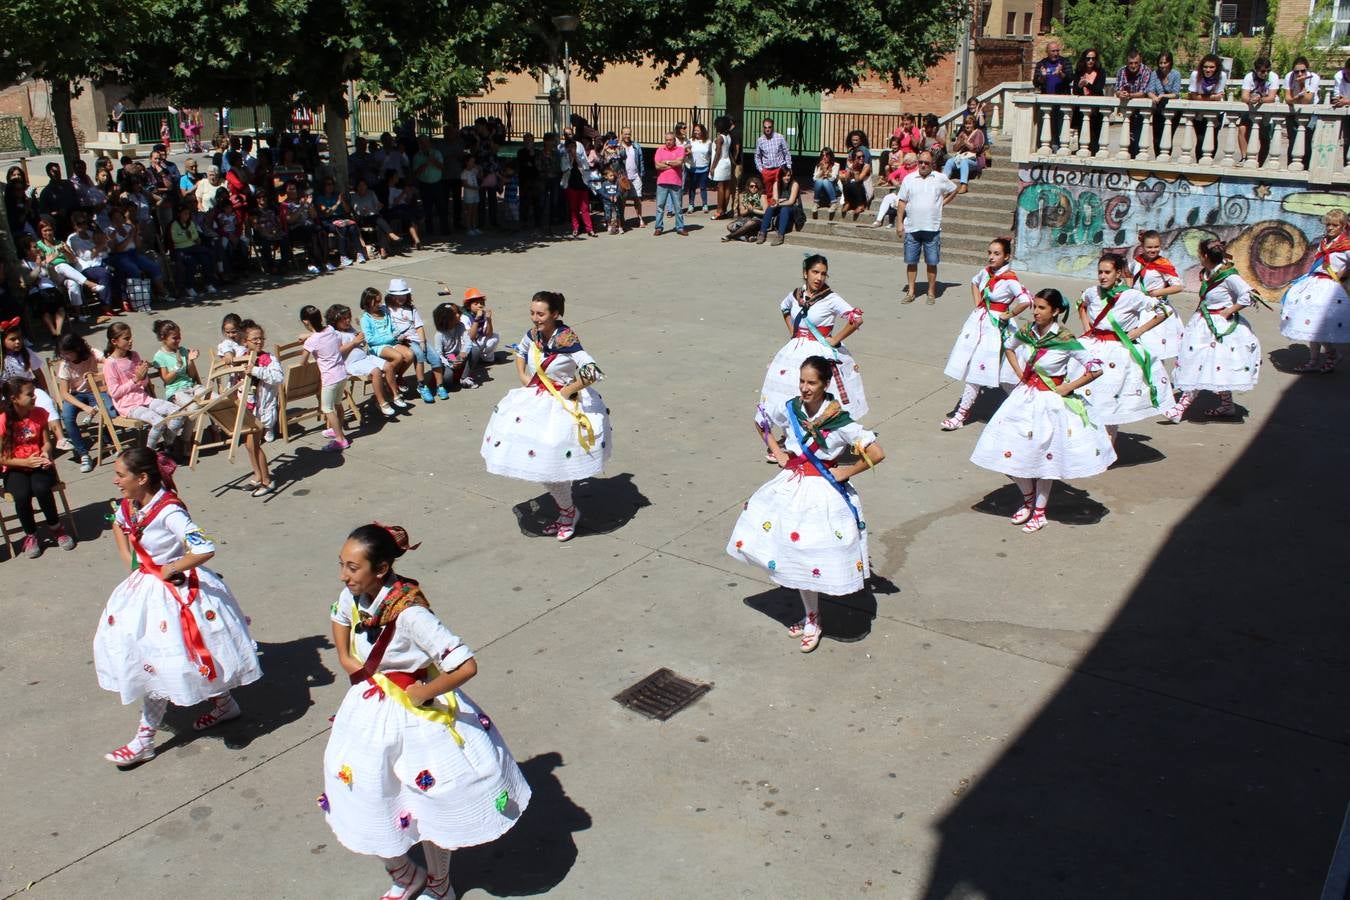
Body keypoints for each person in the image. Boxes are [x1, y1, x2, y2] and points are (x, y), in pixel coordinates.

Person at [321, 523, 531, 900]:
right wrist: (345, 656)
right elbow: (339, 616)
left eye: (352, 567)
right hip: (370, 709)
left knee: (432, 805)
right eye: (342, 565)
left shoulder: (411, 614)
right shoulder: (353, 594)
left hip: (416, 716)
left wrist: (424, 692)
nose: (343, 575)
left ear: (381, 568)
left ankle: (439, 883)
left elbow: (465, 665)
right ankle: (405, 874)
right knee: (368, 795)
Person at [94, 447, 261, 766]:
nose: (115, 480)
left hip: (174, 594)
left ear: (142, 478)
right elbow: (118, 524)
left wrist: (172, 567)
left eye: (120, 474)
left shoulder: (169, 511)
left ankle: (145, 739)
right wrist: (129, 561)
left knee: (159, 662)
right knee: (176, 658)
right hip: (146, 589)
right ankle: (225, 704)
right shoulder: (132, 504)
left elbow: (204, 547)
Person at [727, 356, 885, 652]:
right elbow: (761, 417)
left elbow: (876, 452)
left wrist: (845, 471)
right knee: (790, 551)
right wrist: (776, 450)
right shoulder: (792, 408)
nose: (804, 388)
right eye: (802, 381)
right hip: (791, 486)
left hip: (822, 494)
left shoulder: (841, 422)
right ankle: (811, 614)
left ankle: (812, 618)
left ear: (826, 385)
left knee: (810, 553)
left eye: (812, 382)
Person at [970, 288, 1115, 533]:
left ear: (1056, 311)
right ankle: (1028, 499)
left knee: (1046, 458)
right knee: (1010, 450)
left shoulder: (1065, 339)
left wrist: (1068, 386)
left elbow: (1096, 367)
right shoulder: (1027, 332)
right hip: (1024, 399)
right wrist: (1018, 373)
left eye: (1042, 308)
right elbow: (1009, 346)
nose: (1035, 312)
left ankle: (1039, 512)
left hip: (1051, 404)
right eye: (1034, 306)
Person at [480, 291, 611, 541]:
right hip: (536, 403)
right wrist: (523, 377)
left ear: (555, 314)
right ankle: (567, 510)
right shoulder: (534, 335)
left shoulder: (567, 339)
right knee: (545, 464)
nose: (535, 318)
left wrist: (569, 390)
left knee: (551, 465)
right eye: (532, 312)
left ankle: (568, 512)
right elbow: (520, 352)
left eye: (540, 314)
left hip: (560, 408)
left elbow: (592, 371)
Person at [760, 255, 868, 440]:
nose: (819, 278)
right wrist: (793, 332)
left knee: (816, 394)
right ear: (805, 273)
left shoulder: (831, 298)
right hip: (794, 351)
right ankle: (789, 437)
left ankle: (818, 437)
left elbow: (856, 319)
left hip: (818, 351)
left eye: (823, 274)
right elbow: (784, 308)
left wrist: (835, 340)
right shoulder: (795, 295)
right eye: (815, 272)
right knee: (790, 392)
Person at [1076, 252, 1169, 442]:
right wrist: (1087, 327)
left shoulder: (1132, 296)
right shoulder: (1092, 292)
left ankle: (1108, 446)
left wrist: (1139, 331)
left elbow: (1163, 311)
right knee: (1085, 395)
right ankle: (1088, 439)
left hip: (1117, 352)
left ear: (1118, 273)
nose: (1102, 276)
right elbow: (1081, 303)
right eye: (1100, 272)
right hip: (1093, 347)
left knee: (1109, 399)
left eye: (1107, 272)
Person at [940, 238, 1031, 431]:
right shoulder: (986, 272)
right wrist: (978, 304)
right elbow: (974, 282)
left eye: (996, 254)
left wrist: (1008, 314)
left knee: (1003, 374)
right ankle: (962, 414)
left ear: (1007, 256)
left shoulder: (1010, 279)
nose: (991, 257)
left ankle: (961, 415)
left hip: (996, 328)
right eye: (990, 252)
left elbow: (1025, 300)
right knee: (978, 369)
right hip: (979, 323)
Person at [1166, 239, 1262, 420]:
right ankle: (1227, 405)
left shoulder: (1229, 276)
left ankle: (1180, 408)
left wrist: (1229, 311)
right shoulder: (1210, 273)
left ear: (1205, 256)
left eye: (1199, 254)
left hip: (1219, 328)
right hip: (1203, 324)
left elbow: (1248, 295)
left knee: (1199, 366)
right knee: (1215, 367)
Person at [1, 377, 75, 558]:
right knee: (21, 494)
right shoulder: (3, 420)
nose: (34, 398)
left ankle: (56, 527)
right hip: (15, 467)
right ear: (14, 399)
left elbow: (47, 442)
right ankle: (31, 534)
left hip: (39, 464)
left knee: (42, 488)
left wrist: (45, 453)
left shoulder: (40, 413)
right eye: (29, 395)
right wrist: (24, 462)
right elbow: (2, 457)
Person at [1280, 208, 1350, 372]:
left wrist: (1343, 274)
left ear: (1343, 226)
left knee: (1319, 326)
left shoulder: (1346, 245)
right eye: (1328, 225)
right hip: (1316, 284)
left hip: (1331, 288)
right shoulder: (1325, 242)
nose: (1330, 228)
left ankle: (1332, 354)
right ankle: (1313, 360)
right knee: (1309, 324)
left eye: (1334, 225)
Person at [102, 322, 188, 451]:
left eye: (131, 337)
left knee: (180, 414)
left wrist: (142, 377)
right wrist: (135, 380)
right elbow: (114, 393)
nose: (131, 341)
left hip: (144, 398)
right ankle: (149, 452)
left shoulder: (134, 355)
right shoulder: (110, 364)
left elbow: (144, 383)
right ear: (114, 341)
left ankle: (168, 444)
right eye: (126, 338)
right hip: (128, 405)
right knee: (159, 423)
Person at [895, 152, 958, 305]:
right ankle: (911, 292)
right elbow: (902, 201)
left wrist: (942, 203)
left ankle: (931, 292)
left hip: (932, 226)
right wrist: (899, 223)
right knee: (911, 262)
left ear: (932, 165)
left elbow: (954, 189)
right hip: (912, 227)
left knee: (932, 262)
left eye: (926, 163)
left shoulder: (939, 178)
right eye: (921, 162)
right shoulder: (909, 179)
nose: (923, 165)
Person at [330, 303, 401, 419]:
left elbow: (361, 344)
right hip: (352, 363)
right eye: (344, 319)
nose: (348, 321)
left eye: (349, 317)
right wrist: (354, 342)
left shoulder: (350, 329)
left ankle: (395, 395)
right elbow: (338, 351)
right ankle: (382, 402)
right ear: (335, 320)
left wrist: (361, 339)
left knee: (388, 366)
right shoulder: (335, 334)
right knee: (376, 371)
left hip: (365, 358)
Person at [1129, 230, 1186, 374]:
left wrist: (1157, 293)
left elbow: (1178, 286)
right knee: (1137, 350)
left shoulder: (1163, 264)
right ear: (1142, 246)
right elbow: (1127, 273)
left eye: (1156, 247)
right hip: (1137, 309)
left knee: (1153, 351)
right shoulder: (1137, 262)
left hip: (1155, 311)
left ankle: (1157, 382)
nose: (1153, 250)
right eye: (1149, 247)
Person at [2, 321, 66, 448]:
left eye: (20, 338)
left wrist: (45, 390)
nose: (18, 342)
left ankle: (60, 438)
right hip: (6, 395)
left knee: (46, 401)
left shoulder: (27, 353)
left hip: (27, 389)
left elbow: (38, 373)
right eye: (12, 339)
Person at [54, 333, 112, 473]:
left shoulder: (92, 353)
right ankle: (83, 454)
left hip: (96, 390)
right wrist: (84, 407)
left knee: (109, 409)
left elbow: (110, 364)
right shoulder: (65, 365)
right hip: (76, 395)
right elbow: (64, 393)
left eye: (68, 353)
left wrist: (96, 375)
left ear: (77, 349)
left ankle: (108, 441)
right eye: (63, 354)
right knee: (67, 417)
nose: (66, 357)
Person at [300, 305, 353, 452]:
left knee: (327, 408)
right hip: (342, 373)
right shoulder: (330, 330)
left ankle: (340, 439)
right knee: (337, 404)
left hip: (329, 378)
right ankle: (338, 429)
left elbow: (302, 362)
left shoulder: (311, 341)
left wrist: (307, 342)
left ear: (305, 322)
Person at [385, 278, 447, 403]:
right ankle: (421, 386)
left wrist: (423, 342)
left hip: (417, 338)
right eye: (398, 296)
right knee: (418, 355)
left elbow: (419, 327)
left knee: (435, 358)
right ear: (391, 296)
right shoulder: (386, 310)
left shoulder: (411, 309)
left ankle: (440, 387)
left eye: (403, 295)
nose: (401, 298)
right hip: (404, 341)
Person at [359, 287, 415, 405]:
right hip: (378, 346)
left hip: (391, 342)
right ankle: (389, 381)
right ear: (368, 303)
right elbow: (370, 340)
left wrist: (399, 335)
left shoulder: (384, 311)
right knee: (398, 357)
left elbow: (393, 327)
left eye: (380, 301)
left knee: (410, 355)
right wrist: (391, 337)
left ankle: (395, 377)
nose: (380, 304)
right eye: (377, 302)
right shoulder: (365, 319)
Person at [151, 319, 203, 406]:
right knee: (194, 407)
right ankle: (178, 419)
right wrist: (178, 367)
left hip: (191, 387)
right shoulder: (160, 356)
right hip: (175, 392)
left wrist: (190, 360)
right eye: (174, 338)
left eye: (179, 336)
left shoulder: (182, 350)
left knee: (217, 401)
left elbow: (192, 376)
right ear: (163, 338)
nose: (178, 340)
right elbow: (167, 380)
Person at [1238, 57, 1280, 163]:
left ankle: (1260, 163)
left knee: (1264, 136)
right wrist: (1251, 100)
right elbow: (1244, 96)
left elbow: (1271, 97)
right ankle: (1244, 157)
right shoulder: (1249, 76)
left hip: (1266, 108)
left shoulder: (1273, 77)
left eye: (1268, 70)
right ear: (1256, 70)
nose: (1265, 73)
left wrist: (1260, 99)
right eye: (1262, 71)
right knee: (1242, 128)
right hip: (1252, 107)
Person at [1034, 40, 1074, 150]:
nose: (1056, 53)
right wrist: (1042, 77)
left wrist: (1061, 73)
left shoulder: (1065, 62)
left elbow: (1070, 78)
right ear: (1047, 51)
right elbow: (1036, 83)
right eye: (1053, 51)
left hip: (1062, 100)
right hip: (1046, 100)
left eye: (1057, 51)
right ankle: (1046, 146)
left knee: (1061, 125)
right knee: (1046, 125)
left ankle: (1061, 146)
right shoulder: (1041, 64)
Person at [314, 176, 362, 266]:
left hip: (340, 218)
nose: (330, 186)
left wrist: (342, 201)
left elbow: (347, 210)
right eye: (328, 184)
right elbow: (326, 213)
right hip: (328, 220)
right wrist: (337, 203)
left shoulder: (337, 196)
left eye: (332, 184)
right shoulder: (320, 198)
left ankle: (359, 253)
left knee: (352, 227)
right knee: (342, 229)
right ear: (323, 186)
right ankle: (343, 256)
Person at [1114, 50, 1153, 157]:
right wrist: (1120, 93)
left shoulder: (1146, 71)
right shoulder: (1122, 71)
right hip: (1127, 110)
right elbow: (1117, 89)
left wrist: (1130, 95)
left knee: (1138, 139)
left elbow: (1144, 92)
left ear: (1140, 62)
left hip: (1142, 111)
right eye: (1130, 63)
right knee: (1127, 139)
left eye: (1136, 63)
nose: (1133, 66)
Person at [1146, 51, 1183, 154]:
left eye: (1165, 63)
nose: (1162, 65)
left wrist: (1163, 96)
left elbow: (1176, 94)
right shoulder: (1155, 74)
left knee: (1167, 136)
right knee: (1157, 138)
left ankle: (1166, 158)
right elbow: (1149, 90)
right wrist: (1153, 96)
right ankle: (1158, 158)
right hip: (1159, 109)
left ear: (1170, 63)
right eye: (1160, 63)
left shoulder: (1176, 74)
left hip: (1173, 110)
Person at [1072, 47, 1107, 153]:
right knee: (1082, 139)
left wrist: (1087, 84)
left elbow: (1099, 88)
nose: (1091, 61)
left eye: (1093, 58)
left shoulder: (1101, 72)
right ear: (1084, 59)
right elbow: (1075, 91)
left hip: (1096, 111)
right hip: (1082, 111)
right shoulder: (1079, 72)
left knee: (1095, 139)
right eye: (1088, 58)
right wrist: (1079, 85)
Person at [652, 131, 687, 237]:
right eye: (666, 140)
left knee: (678, 207)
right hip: (662, 182)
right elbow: (657, 166)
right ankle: (658, 227)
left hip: (676, 182)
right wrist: (672, 164)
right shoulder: (660, 150)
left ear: (674, 140)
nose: (668, 142)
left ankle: (680, 227)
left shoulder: (680, 149)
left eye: (670, 140)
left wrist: (666, 162)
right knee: (660, 206)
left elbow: (679, 162)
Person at [560, 134, 595, 238]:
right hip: (571, 185)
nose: (572, 149)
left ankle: (590, 229)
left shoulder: (581, 156)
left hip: (582, 185)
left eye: (573, 147)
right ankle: (575, 228)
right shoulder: (565, 158)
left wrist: (577, 157)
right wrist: (571, 159)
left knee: (585, 208)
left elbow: (585, 166)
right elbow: (564, 169)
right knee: (573, 209)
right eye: (570, 147)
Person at [413, 135, 448, 235]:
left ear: (428, 143)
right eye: (421, 143)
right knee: (427, 208)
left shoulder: (436, 153)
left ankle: (445, 229)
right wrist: (425, 163)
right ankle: (430, 231)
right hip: (424, 185)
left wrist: (433, 160)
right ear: (419, 144)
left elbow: (442, 167)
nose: (424, 145)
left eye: (425, 142)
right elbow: (415, 173)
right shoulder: (417, 156)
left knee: (442, 207)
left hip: (437, 184)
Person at [460, 288, 499, 379]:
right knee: (474, 348)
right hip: (467, 342)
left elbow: (488, 334)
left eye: (481, 303)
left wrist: (489, 320)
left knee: (495, 337)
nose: (479, 305)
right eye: (476, 303)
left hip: (478, 339)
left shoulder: (483, 314)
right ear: (469, 306)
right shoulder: (465, 317)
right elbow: (470, 337)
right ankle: (470, 362)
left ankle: (486, 359)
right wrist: (477, 319)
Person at [941, 118, 986, 193]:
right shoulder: (962, 133)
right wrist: (960, 142)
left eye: (969, 124)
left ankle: (964, 185)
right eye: (966, 124)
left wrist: (966, 142)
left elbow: (976, 149)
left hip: (974, 160)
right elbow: (955, 149)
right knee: (949, 161)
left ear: (973, 124)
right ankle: (942, 183)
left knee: (964, 162)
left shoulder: (978, 133)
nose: (967, 126)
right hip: (961, 157)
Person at [757, 172, 801, 246]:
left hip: (793, 208)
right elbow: (775, 200)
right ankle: (762, 233)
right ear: (780, 176)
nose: (787, 177)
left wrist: (779, 203)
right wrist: (777, 202)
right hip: (781, 205)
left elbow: (791, 201)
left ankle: (780, 236)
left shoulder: (794, 184)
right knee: (770, 208)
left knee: (784, 209)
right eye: (784, 176)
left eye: (788, 175)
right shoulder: (776, 184)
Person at [754, 118, 791, 195]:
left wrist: (788, 167)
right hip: (767, 170)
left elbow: (786, 152)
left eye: (769, 127)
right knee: (769, 192)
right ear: (763, 128)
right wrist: (761, 170)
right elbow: (757, 156)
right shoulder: (760, 140)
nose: (767, 129)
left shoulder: (780, 137)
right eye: (765, 127)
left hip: (780, 169)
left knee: (780, 192)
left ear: (773, 127)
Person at [711, 116, 735, 219]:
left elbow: (717, 153)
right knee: (727, 187)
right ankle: (724, 209)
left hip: (720, 163)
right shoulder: (728, 136)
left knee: (720, 187)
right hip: (727, 162)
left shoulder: (719, 138)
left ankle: (719, 210)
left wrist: (712, 167)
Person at [686, 123, 713, 213]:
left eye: (698, 130)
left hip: (704, 168)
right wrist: (688, 153)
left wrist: (710, 166)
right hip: (692, 168)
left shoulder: (708, 142)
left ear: (702, 131)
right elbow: (686, 152)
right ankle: (691, 205)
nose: (696, 132)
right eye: (695, 130)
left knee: (703, 187)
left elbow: (711, 154)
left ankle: (705, 205)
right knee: (692, 187)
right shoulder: (690, 141)